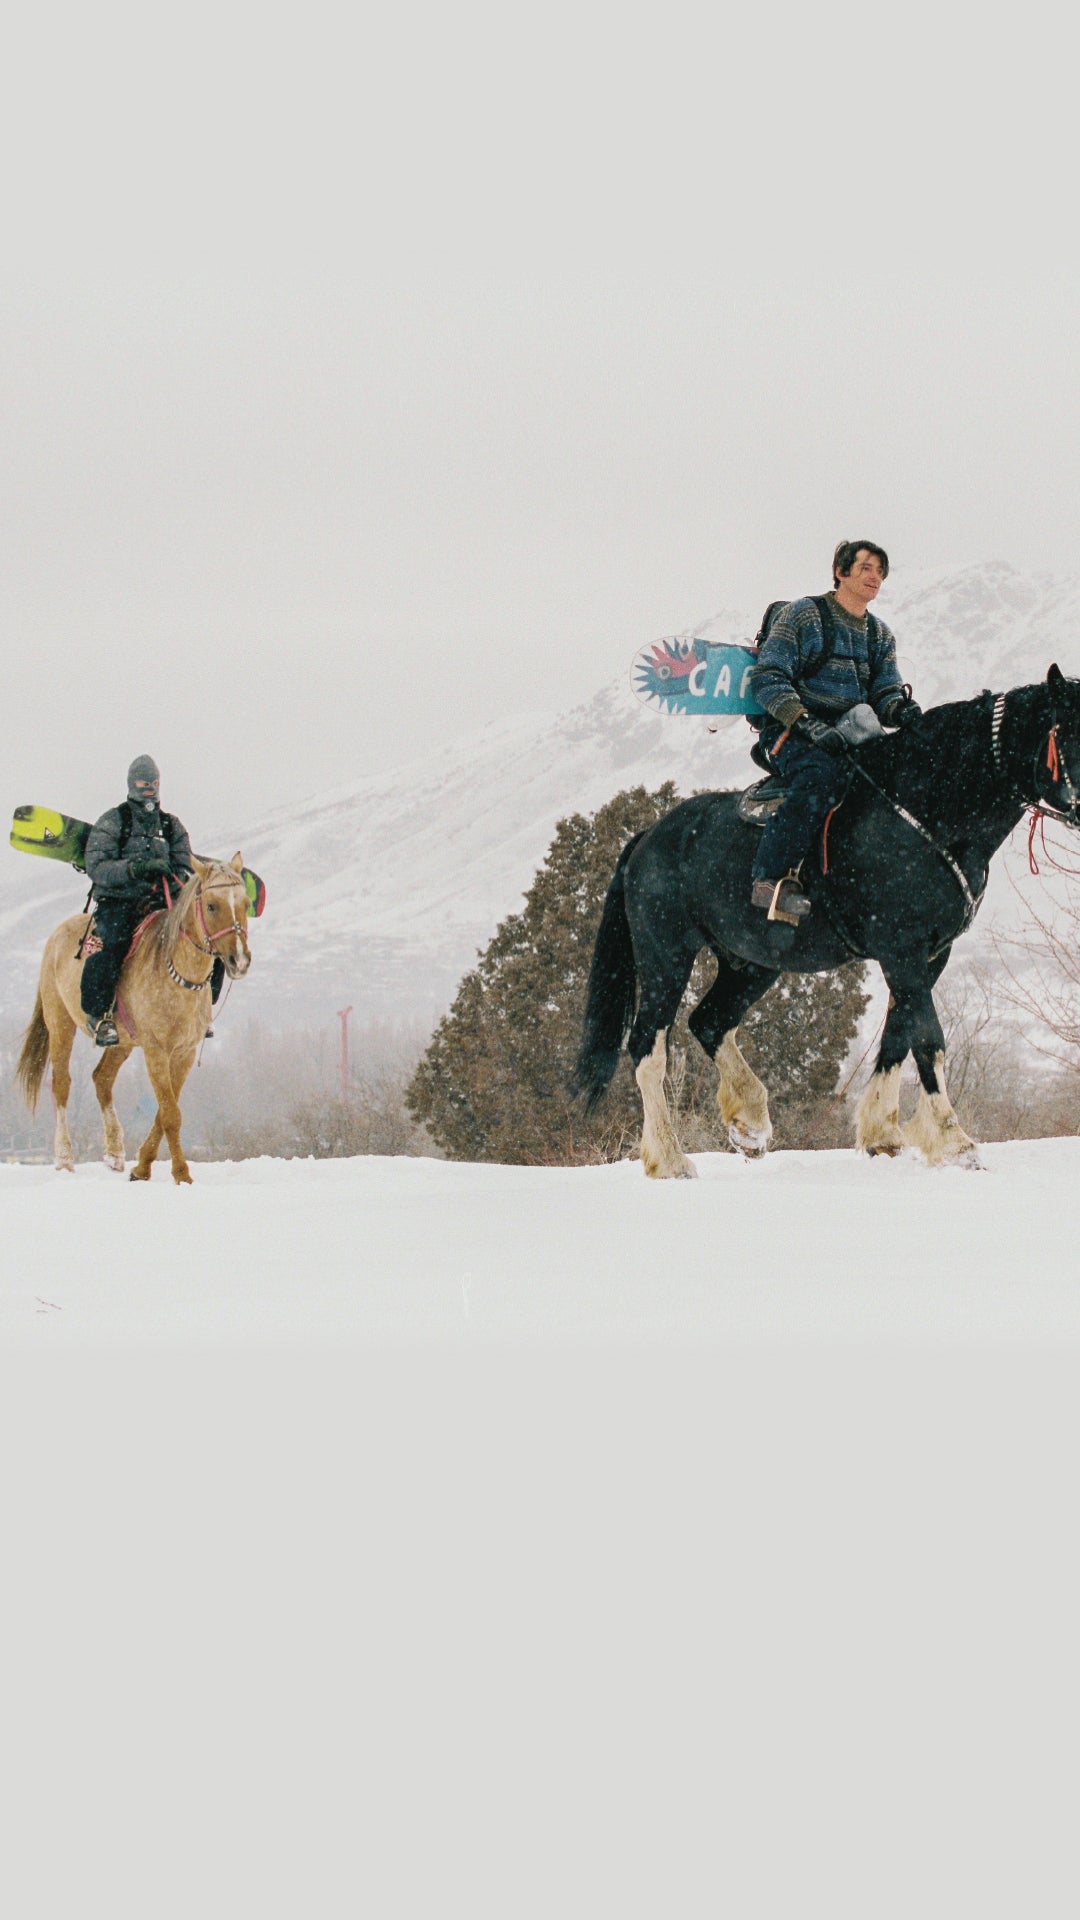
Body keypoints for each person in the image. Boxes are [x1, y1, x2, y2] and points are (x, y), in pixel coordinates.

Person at [746, 539, 922, 925]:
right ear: (841, 572)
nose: (875, 577)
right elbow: (768, 678)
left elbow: (885, 694)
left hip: (851, 733)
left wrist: (902, 711)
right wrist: (805, 721)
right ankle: (771, 880)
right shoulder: (805, 617)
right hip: (791, 730)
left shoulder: (879, 635)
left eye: (880, 571)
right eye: (865, 568)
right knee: (820, 778)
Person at [80, 756, 201, 1046]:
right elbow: (97, 865)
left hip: (161, 904)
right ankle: (99, 1016)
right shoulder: (114, 821)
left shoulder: (172, 827)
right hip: (118, 902)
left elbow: (186, 865)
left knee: (205, 944)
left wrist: (173, 876)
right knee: (112, 944)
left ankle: (199, 1013)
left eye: (154, 784)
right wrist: (135, 870)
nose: (149, 789)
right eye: (143, 783)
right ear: (131, 784)